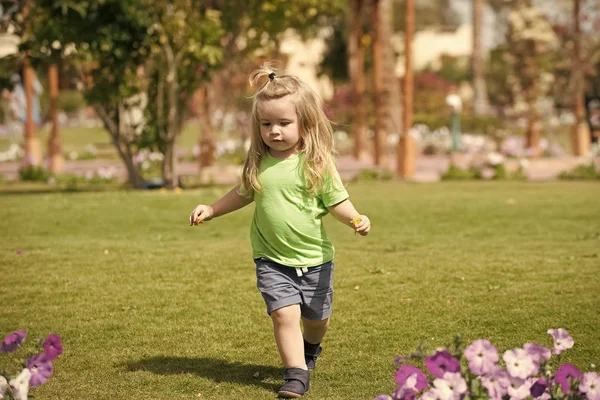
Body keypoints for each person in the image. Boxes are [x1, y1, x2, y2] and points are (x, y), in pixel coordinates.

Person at [188, 63, 371, 398]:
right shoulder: (259, 163)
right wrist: (212, 209)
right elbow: (242, 193)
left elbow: (337, 201)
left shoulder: (316, 164)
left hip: (315, 260)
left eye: (284, 123)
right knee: (284, 315)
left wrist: (356, 218)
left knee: (316, 321)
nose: (274, 131)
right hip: (272, 260)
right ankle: (296, 374)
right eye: (266, 123)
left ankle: (311, 348)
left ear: (305, 122)